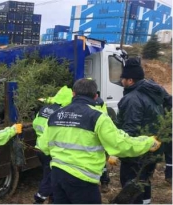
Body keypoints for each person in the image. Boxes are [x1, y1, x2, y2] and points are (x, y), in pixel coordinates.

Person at [38, 78, 161, 204]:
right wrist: (147, 142)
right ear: (95, 96)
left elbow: (43, 146)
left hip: (57, 177)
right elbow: (120, 145)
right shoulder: (98, 117)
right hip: (82, 179)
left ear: (73, 94)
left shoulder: (55, 115)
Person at [116, 58, 167, 204]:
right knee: (144, 180)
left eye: (123, 79)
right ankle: (146, 202)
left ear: (130, 80)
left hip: (137, 152)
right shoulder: (152, 90)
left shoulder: (132, 99)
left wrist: (117, 150)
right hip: (154, 146)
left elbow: (130, 129)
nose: (121, 81)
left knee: (131, 184)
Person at [33, 85, 72, 204]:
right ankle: (39, 199)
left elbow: (35, 124)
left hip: (40, 146)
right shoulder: (62, 112)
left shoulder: (45, 108)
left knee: (48, 173)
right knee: (51, 176)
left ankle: (53, 198)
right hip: (51, 149)